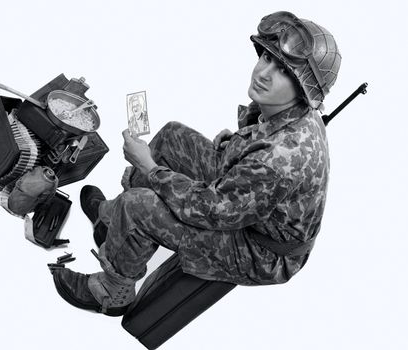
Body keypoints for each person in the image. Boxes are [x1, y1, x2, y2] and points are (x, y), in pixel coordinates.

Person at [51, 11, 341, 316]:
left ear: (303, 89)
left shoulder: (281, 157)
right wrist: (235, 144)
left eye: (282, 70)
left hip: (261, 249)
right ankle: (112, 224)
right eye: (267, 57)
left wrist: (150, 169)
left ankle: (113, 292)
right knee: (172, 136)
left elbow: (212, 211)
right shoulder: (289, 110)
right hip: (249, 206)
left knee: (139, 205)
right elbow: (257, 144)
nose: (263, 73)